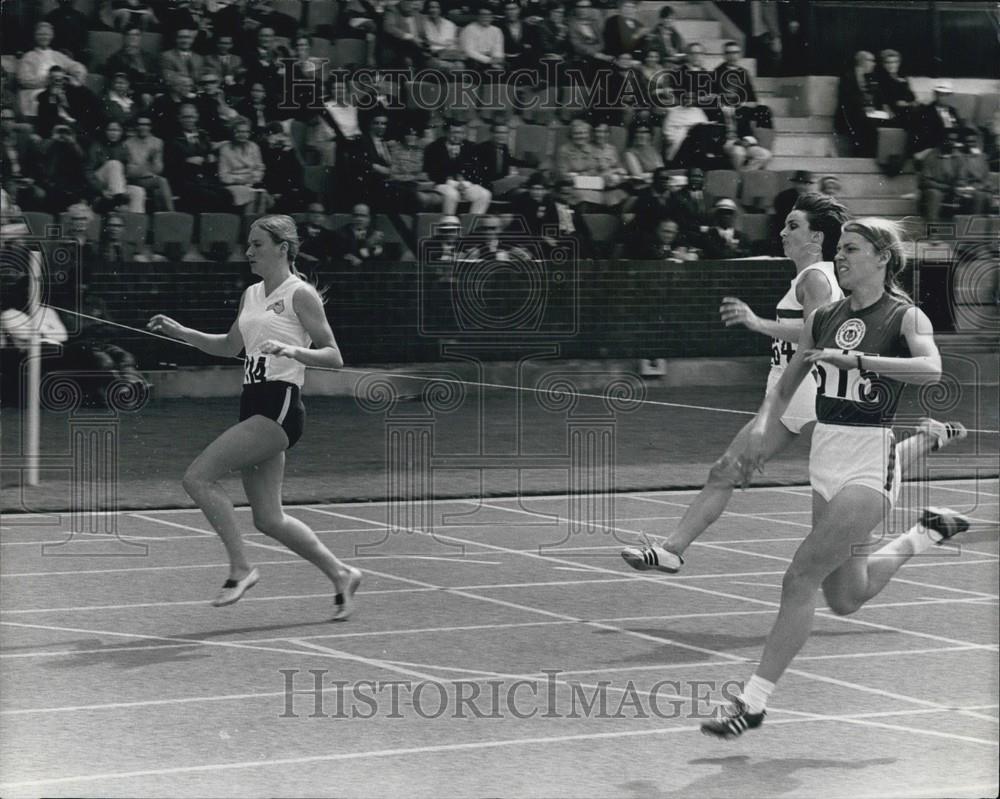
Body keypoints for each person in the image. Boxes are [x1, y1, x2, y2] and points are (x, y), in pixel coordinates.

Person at [701, 217, 971, 738]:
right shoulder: (824, 315)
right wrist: (760, 434)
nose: (840, 257)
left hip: (869, 463)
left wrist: (863, 360)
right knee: (846, 597)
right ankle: (925, 533)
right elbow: (784, 388)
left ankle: (753, 702)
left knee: (799, 576)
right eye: (840, 249)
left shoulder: (905, 316)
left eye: (851, 249)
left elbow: (932, 370)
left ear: (882, 257)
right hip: (825, 458)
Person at [621, 196, 964, 576]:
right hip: (787, 394)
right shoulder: (812, 275)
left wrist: (758, 323)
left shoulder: (817, 276)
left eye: (793, 226)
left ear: (816, 236)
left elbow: (815, 334)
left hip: (815, 392)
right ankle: (673, 548)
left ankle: (926, 447)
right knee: (726, 469)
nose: (783, 233)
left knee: (862, 467)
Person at [147, 215, 362, 617]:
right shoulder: (251, 294)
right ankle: (341, 573)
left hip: (279, 406)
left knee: (197, 477)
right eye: (248, 244)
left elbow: (334, 355)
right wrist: (182, 333)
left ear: (282, 248)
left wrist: (295, 351)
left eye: (257, 244)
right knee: (268, 518)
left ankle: (241, 568)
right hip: (253, 403)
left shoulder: (300, 294)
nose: (248, 251)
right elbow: (229, 346)